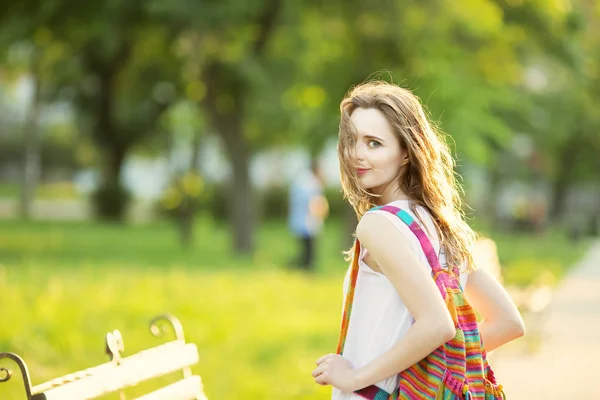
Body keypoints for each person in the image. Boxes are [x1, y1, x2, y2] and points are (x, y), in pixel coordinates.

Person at [312, 81, 525, 398]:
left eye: (374, 143)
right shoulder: (442, 225)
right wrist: (426, 375)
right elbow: (507, 322)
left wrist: (356, 378)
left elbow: (438, 324)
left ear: (405, 154)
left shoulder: (378, 225)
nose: (356, 154)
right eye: (351, 140)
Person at [288, 158, 329, 271]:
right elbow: (314, 202)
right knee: (308, 249)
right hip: (308, 220)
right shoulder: (311, 183)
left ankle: (299, 267)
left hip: (303, 219)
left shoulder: (304, 180)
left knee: (305, 249)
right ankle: (303, 269)